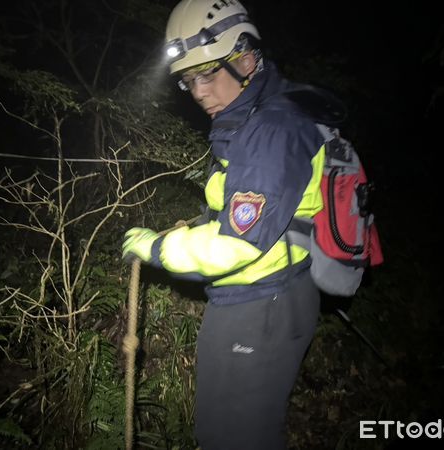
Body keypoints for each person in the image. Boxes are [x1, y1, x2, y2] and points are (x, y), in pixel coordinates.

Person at [122, 0, 328, 448]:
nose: (198, 93)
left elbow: (238, 246)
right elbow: (246, 209)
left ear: (246, 58)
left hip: (261, 304)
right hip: (266, 292)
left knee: (231, 436)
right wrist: (195, 227)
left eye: (207, 75)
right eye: (188, 80)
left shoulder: (272, 130)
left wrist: (157, 249)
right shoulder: (253, 117)